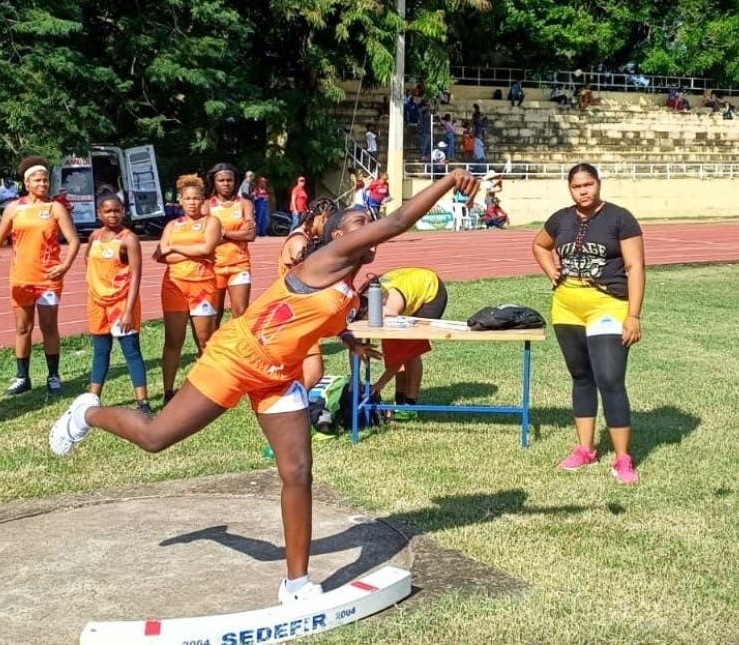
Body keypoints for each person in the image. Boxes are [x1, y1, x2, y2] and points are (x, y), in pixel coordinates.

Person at [48, 168, 481, 603]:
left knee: (297, 472)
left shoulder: (349, 288)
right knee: (155, 436)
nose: (366, 229)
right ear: (336, 238)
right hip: (236, 358)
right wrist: (448, 182)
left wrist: (347, 336)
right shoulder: (324, 260)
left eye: (366, 223)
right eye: (357, 225)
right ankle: (86, 412)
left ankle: (296, 584)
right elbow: (397, 222)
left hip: (279, 376)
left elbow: (315, 318)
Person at [531, 163, 645, 484]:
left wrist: (633, 315)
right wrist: (551, 270)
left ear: (598, 184)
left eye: (589, 184)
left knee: (609, 379)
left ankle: (623, 458)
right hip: (566, 306)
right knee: (581, 377)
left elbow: (635, 267)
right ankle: (585, 449)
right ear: (570, 189)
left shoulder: (619, 218)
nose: (583, 191)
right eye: (577, 186)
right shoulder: (561, 219)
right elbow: (539, 244)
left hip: (607, 304)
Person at [0, 155, 81, 397]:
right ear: (26, 182)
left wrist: (64, 266)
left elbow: (73, 240)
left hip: (49, 279)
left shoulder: (55, 208)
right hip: (21, 278)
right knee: (23, 328)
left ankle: (53, 375)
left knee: (49, 327)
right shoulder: (14, 209)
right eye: (38, 181)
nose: (43, 185)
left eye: (45, 181)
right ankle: (22, 377)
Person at [155, 174, 221, 405]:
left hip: (203, 286)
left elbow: (207, 248)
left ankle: (209, 389)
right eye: (187, 198)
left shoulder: (211, 222)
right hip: (174, 286)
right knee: (173, 339)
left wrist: (175, 247)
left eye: (196, 198)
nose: (192, 202)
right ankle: (168, 391)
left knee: (204, 339)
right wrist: (191, 249)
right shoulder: (172, 225)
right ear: (180, 201)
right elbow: (160, 253)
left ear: (203, 200)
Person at [85, 192, 152, 417]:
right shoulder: (94, 237)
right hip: (97, 302)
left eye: (117, 210)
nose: (113, 215)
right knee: (100, 350)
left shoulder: (128, 239)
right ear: (99, 213)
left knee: (131, 351)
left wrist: (128, 311)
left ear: (123, 211)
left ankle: (142, 402)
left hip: (121, 303)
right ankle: (93, 398)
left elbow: (136, 275)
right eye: (108, 211)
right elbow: (88, 261)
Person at [359, 267, 447, 416]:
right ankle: (400, 400)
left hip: (430, 292)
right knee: (395, 349)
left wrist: (379, 385)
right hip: (405, 287)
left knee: (409, 350)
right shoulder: (361, 302)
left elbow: (398, 359)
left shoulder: (388, 312)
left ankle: (410, 404)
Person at [277, 197, 339, 389]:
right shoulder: (299, 242)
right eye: (330, 222)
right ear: (322, 217)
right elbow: (307, 277)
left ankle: (292, 408)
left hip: (300, 313)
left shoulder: (307, 238)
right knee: (314, 372)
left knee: (305, 372)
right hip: (293, 313)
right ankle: (288, 409)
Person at [208, 163, 257, 321]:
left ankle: (238, 346)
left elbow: (250, 235)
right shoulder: (206, 206)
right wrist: (239, 232)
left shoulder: (244, 204)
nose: (226, 184)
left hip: (239, 264)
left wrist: (224, 233)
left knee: (240, 312)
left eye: (229, 180)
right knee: (214, 314)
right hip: (214, 266)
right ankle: (213, 346)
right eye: (221, 180)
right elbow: (207, 237)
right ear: (214, 182)